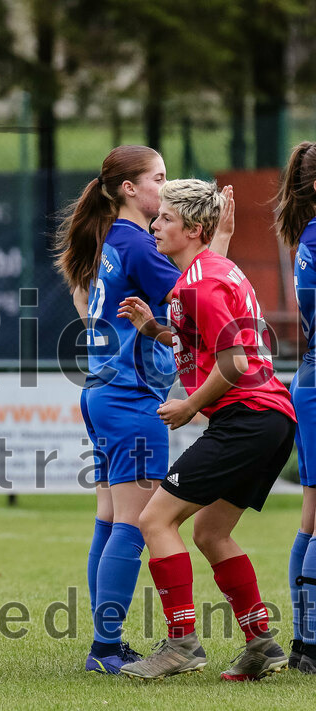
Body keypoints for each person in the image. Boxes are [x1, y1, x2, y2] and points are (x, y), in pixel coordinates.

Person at [53, 146, 232, 674]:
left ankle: (105, 643)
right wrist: (218, 239)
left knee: (110, 520)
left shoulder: (115, 238)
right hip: (130, 398)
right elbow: (197, 301)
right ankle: (106, 648)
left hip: (104, 392)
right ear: (130, 188)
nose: (166, 184)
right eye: (158, 177)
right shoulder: (138, 245)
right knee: (133, 524)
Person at [117, 179, 295, 681]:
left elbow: (234, 361)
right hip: (270, 420)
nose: (155, 225)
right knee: (211, 531)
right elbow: (197, 335)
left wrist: (189, 405)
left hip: (247, 418)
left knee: (154, 521)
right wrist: (153, 328)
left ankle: (181, 643)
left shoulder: (199, 283)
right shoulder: (211, 269)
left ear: (193, 229)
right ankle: (261, 642)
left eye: (166, 219)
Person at [275, 141, 316, 672]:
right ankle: (310, 642)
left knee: (311, 515)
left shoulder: (308, 236)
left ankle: (306, 644)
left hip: (308, 378)